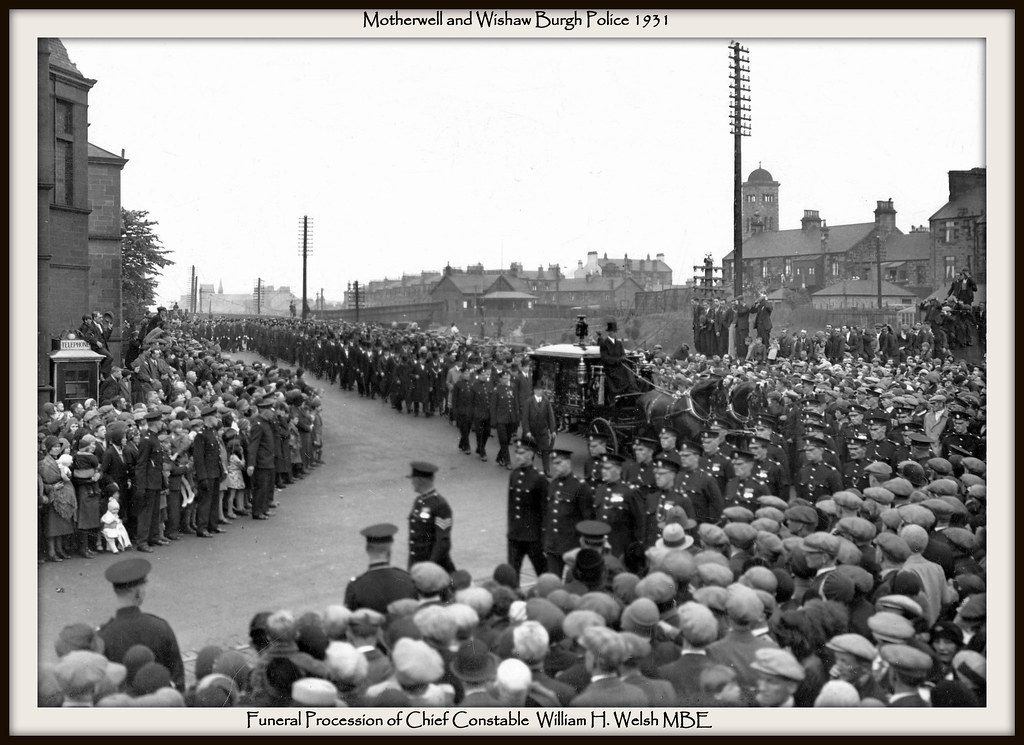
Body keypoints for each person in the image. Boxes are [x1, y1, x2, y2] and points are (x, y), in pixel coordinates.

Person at [97, 557, 185, 692]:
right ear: (137, 591)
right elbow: (177, 678)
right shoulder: (160, 627)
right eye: (144, 586)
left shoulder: (103, 635)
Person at [343, 523, 417, 615]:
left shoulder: (357, 586)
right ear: (390, 550)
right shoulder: (406, 579)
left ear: (367, 549)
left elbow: (352, 620)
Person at [505, 439, 547, 585]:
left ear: (531, 454)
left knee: (543, 573)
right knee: (512, 576)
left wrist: (544, 539)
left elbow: (545, 511)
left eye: (522, 453)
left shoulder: (540, 479)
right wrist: (511, 531)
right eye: (516, 453)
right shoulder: (514, 475)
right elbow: (511, 506)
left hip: (533, 537)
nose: (518, 456)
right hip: (515, 536)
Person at [407, 462, 455, 572]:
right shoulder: (419, 501)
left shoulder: (440, 505)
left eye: (412, 479)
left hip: (434, 566)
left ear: (419, 480)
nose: (411, 482)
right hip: (417, 563)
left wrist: (430, 566)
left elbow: (443, 542)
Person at [246, 396, 278, 520]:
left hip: (268, 460)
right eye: (270, 410)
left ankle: (264, 509)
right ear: (264, 410)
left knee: (266, 486)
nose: (272, 412)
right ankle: (257, 511)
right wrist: (251, 464)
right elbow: (253, 446)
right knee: (260, 487)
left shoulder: (266, 423)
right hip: (261, 461)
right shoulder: (258, 424)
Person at [597, 319, 638, 402]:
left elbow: (623, 354)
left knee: (627, 369)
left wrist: (622, 358)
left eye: (615, 332)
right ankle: (629, 391)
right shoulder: (604, 343)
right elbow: (605, 358)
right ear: (609, 332)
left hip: (620, 365)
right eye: (613, 331)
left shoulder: (619, 343)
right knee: (624, 372)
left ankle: (633, 390)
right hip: (610, 368)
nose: (615, 333)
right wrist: (617, 360)